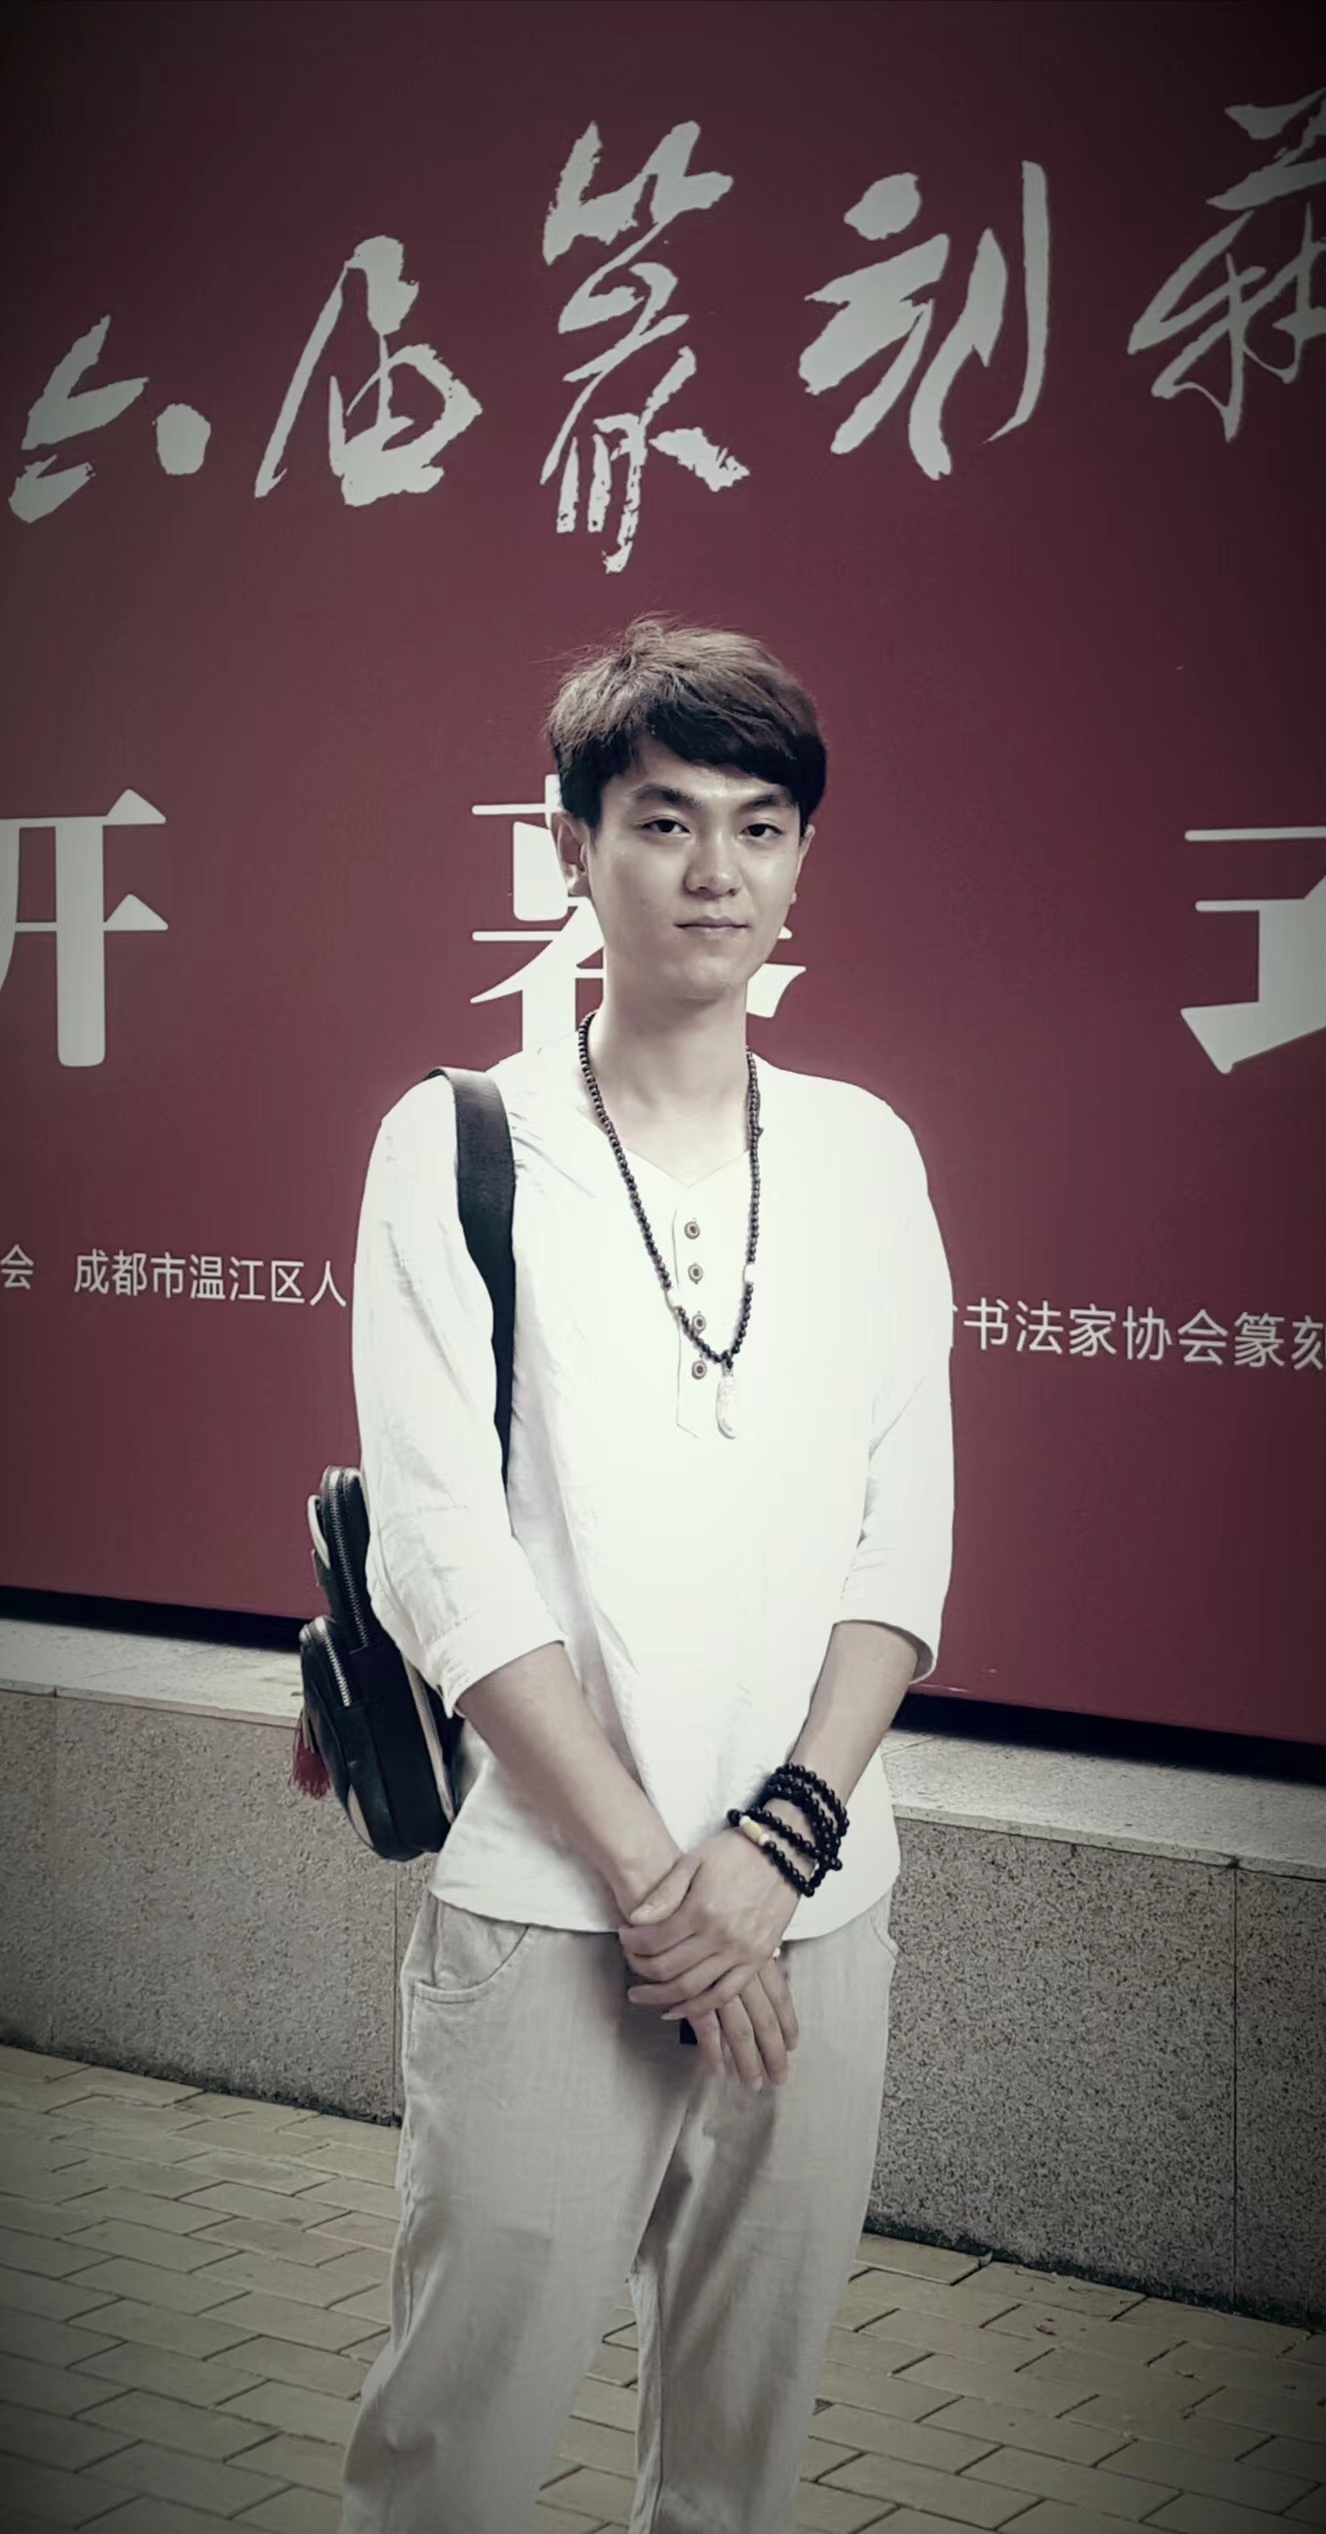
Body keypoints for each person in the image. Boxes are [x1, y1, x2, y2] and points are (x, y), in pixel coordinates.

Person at [340, 617, 954, 2534]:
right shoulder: (459, 1142)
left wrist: (776, 1847)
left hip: (812, 1913)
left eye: (758, 827)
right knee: (454, 2451)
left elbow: (901, 1540)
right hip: (548, 1906)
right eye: (664, 820)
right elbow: (447, 1558)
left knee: (738, 2467)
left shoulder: (864, 1156)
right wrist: (657, 1887)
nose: (714, 872)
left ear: (800, 860)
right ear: (572, 845)